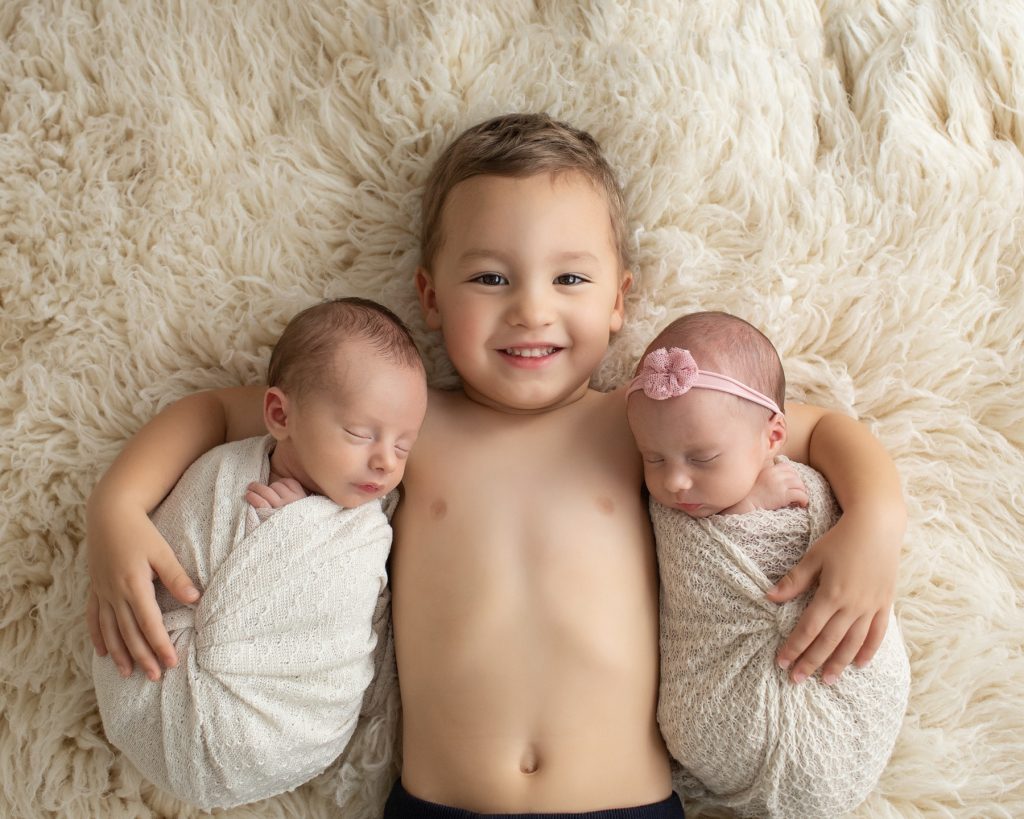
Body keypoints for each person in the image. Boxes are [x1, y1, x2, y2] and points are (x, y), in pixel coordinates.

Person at [86, 114, 906, 817]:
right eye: (490, 276)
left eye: (571, 277)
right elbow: (218, 411)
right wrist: (117, 509)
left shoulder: (642, 423)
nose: (531, 308)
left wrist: (875, 524)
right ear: (430, 297)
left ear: (620, 300)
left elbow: (822, 429)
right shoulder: (407, 427)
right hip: (440, 800)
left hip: (625, 799)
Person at [91, 297, 428, 809]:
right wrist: (115, 509)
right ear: (279, 414)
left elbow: (354, 608)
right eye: (361, 435)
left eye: (404, 446)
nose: (385, 461)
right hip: (155, 675)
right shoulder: (228, 467)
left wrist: (296, 531)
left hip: (289, 718)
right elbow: (186, 509)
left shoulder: (361, 528)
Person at [626, 311, 910, 818]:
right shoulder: (654, 440)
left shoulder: (764, 438)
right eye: (653, 459)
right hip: (712, 700)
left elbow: (826, 426)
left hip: (831, 698)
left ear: (773, 439)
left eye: (703, 459)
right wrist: (743, 507)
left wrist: (874, 522)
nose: (674, 484)